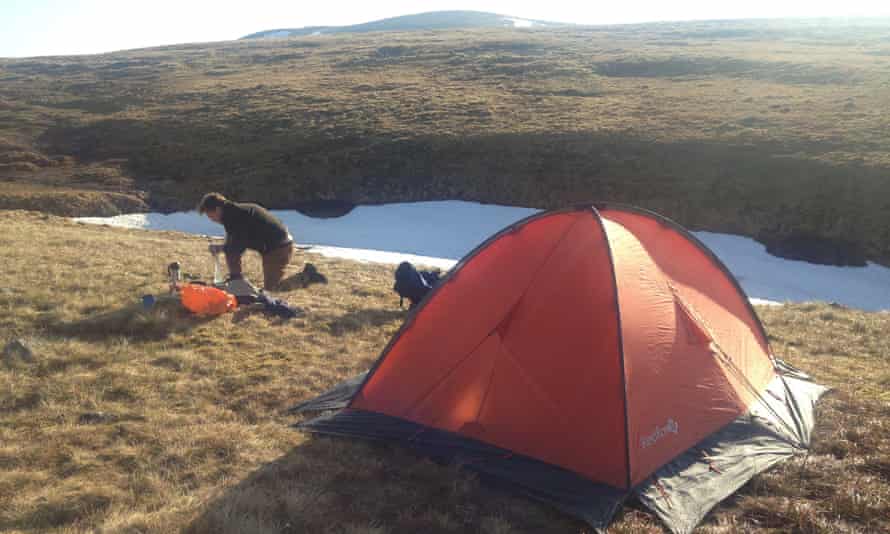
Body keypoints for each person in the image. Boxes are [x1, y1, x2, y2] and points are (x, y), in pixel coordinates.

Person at [197, 192, 294, 290]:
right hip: (274, 244)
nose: (211, 220)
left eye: (210, 216)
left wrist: (236, 279)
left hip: (278, 247)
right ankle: (236, 280)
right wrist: (223, 248)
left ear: (217, 209)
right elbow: (233, 242)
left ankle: (306, 277)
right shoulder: (232, 213)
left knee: (273, 289)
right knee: (269, 288)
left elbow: (235, 247)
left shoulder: (236, 217)